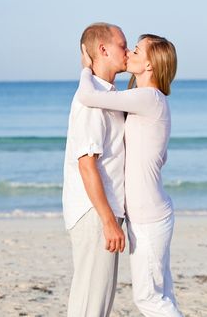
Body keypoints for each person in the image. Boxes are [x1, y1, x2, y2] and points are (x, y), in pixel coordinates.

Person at [77, 34, 183, 317]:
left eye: (136, 50)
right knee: (161, 294)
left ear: (149, 65)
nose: (129, 53)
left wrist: (86, 66)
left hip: (149, 216)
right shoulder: (148, 100)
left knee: (149, 299)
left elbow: (88, 96)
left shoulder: (148, 97)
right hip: (149, 212)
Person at [62, 22, 128, 317]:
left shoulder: (105, 95)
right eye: (123, 46)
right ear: (103, 49)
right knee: (91, 303)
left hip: (102, 211)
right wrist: (107, 221)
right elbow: (86, 165)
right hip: (94, 212)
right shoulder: (91, 103)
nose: (127, 52)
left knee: (96, 300)